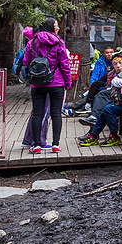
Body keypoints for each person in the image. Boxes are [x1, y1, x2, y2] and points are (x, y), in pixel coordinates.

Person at [22, 17, 72, 154]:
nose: (58, 28)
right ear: (50, 27)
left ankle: (36, 145)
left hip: (37, 84)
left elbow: (26, 62)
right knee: (56, 114)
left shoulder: (32, 43)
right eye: (56, 26)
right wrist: (68, 83)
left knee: (37, 114)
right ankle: (55, 145)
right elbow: (64, 64)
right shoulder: (59, 42)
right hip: (57, 83)